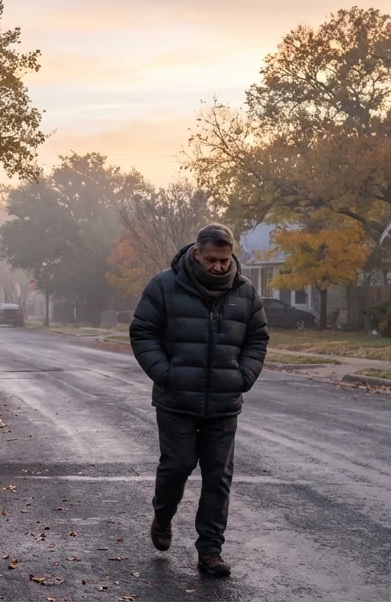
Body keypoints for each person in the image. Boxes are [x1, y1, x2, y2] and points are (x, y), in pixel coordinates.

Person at [128, 223, 268, 578]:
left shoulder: (245, 291)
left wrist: (244, 376)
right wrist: (166, 373)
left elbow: (257, 338)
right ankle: (163, 515)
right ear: (196, 253)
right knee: (176, 467)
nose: (220, 267)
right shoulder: (164, 285)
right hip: (177, 400)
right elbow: (143, 331)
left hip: (224, 402)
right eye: (212, 260)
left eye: (224, 260)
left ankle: (210, 551)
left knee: (218, 477)